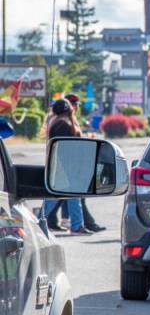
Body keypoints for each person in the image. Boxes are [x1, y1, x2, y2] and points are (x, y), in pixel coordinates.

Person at [42, 99, 90, 236]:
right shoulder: (63, 124)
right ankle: (76, 226)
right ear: (68, 109)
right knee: (66, 195)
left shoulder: (59, 122)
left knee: (62, 195)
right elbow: (65, 147)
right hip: (66, 165)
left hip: (63, 165)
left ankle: (76, 225)